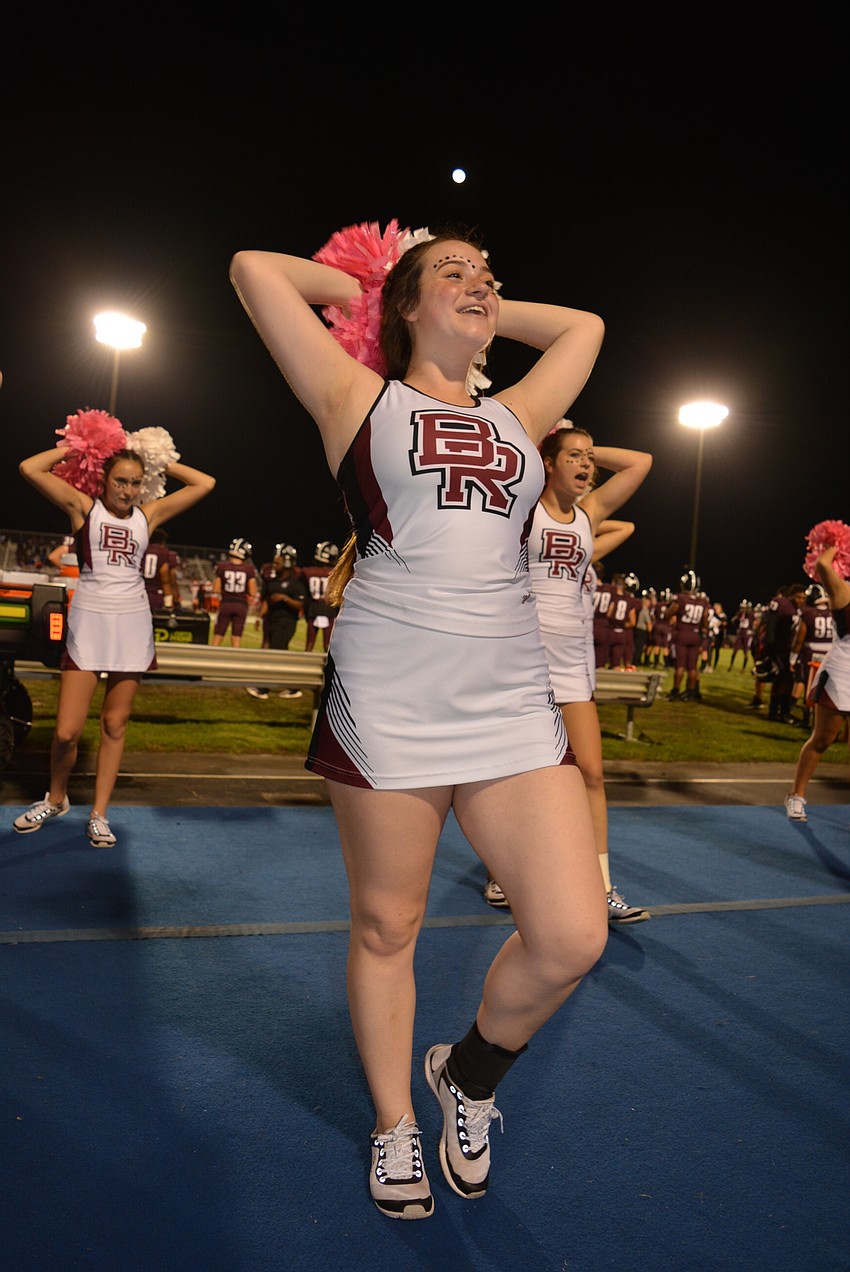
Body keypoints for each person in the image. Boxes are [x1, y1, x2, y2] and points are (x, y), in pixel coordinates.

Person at [230, 220, 607, 1220]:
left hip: (509, 696)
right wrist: (369, 286)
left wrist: (474, 301)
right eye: (453, 271)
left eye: (488, 273)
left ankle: (466, 1074)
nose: (480, 282)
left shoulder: (521, 415)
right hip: (388, 694)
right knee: (388, 923)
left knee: (571, 937)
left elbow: (585, 327)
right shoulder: (353, 396)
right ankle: (394, 1120)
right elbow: (254, 270)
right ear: (400, 303)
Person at [483, 424, 652, 924]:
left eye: (589, 458)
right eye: (573, 456)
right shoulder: (524, 508)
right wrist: (546, 445)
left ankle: (601, 887)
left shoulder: (589, 513)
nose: (585, 464)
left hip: (573, 664)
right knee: (513, 772)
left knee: (591, 774)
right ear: (548, 463)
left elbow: (641, 461)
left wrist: (584, 446)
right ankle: (501, 870)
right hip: (522, 657)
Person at [13, 443, 214, 847]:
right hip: (89, 621)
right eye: (120, 481)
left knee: (114, 724)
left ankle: (100, 814)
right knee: (67, 731)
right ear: (104, 480)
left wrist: (160, 460)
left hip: (132, 623)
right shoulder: (84, 509)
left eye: (136, 483)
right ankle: (56, 798)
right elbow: (29, 468)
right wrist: (77, 447)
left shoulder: (148, 515)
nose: (127, 490)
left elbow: (204, 483)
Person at [784, 544, 850, 821]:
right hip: (842, 672)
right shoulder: (844, 590)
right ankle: (796, 796)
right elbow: (823, 565)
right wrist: (836, 543)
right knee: (823, 739)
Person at [246, 544, 308, 700]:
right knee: (280, 653)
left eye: (277, 562)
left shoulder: (296, 584)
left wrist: (284, 598)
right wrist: (260, 617)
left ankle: (263, 689)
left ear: (286, 562)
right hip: (272, 620)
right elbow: (266, 601)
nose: (274, 565)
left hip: (287, 622)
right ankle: (293, 687)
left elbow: (300, 605)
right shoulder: (271, 582)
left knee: (275, 653)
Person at [665, 571, 711, 701]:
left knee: (680, 665)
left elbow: (669, 613)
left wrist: (668, 612)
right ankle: (690, 692)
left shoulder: (680, 598)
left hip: (682, 633)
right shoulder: (702, 601)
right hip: (695, 635)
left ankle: (675, 691)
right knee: (692, 667)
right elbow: (705, 620)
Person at [211, 538, 258, 648]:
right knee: (236, 639)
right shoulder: (249, 569)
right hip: (241, 605)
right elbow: (253, 592)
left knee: (217, 637)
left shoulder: (222, 567)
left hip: (226, 603)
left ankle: (211, 657)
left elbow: (216, 589)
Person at [299, 541, 341, 652]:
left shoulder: (308, 572)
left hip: (313, 609)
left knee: (309, 644)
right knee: (328, 645)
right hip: (329, 609)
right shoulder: (335, 573)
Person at [141, 527, 174, 612]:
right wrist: (169, 604)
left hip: (138, 592)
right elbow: (165, 580)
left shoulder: (141, 549)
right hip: (155, 594)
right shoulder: (163, 552)